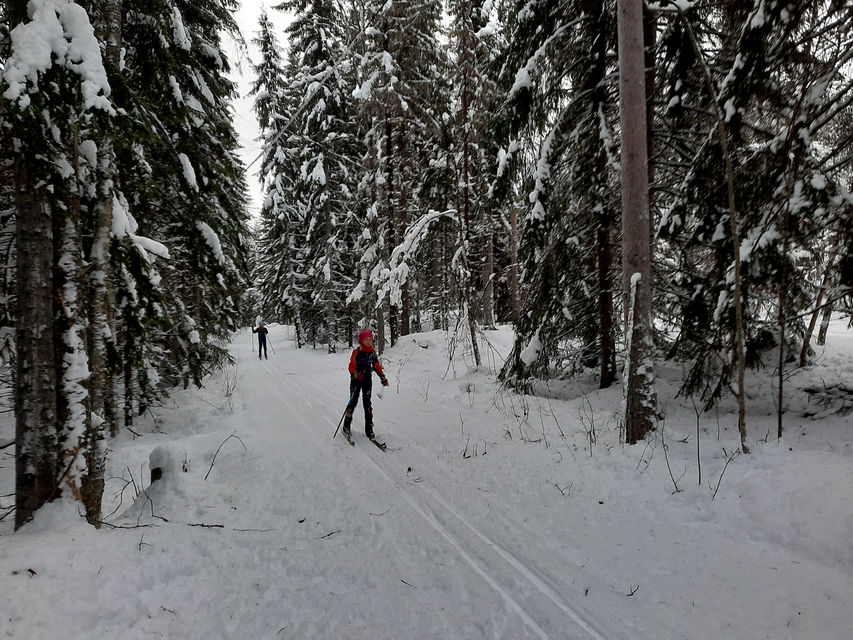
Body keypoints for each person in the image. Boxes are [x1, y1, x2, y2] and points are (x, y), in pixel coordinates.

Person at [343, 329, 389, 440]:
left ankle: (369, 429)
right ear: (361, 341)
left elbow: (376, 365)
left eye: (370, 339)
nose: (368, 341)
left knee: (367, 404)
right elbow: (351, 367)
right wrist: (356, 375)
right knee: (352, 402)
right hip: (356, 381)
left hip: (367, 381)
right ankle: (346, 426)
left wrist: (382, 377)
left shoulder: (372, 352)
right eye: (366, 339)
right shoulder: (357, 352)